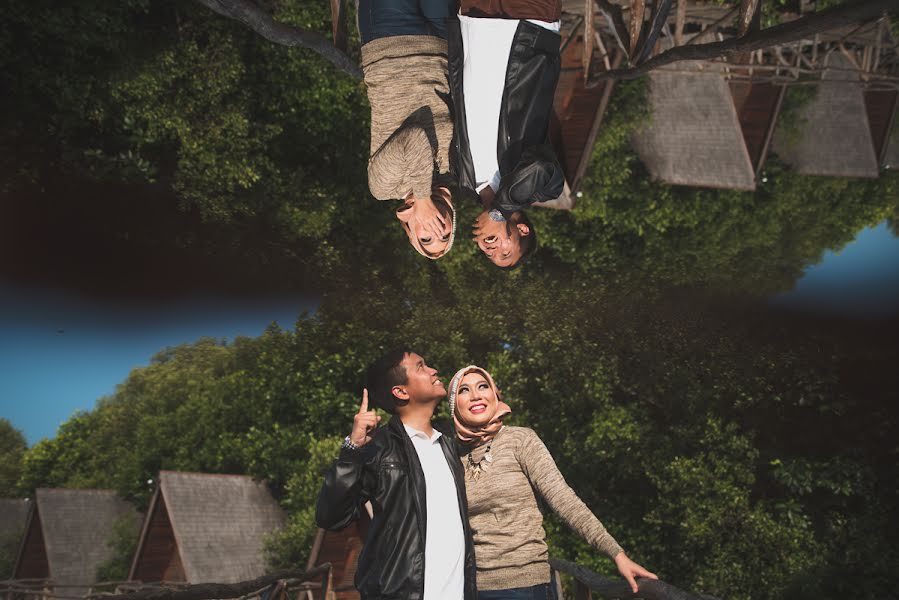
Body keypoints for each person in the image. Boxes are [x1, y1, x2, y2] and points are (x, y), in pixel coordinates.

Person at [447, 365, 658, 598]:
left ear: (495, 394)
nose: (476, 395)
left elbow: (563, 500)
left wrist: (616, 554)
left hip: (525, 587)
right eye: (464, 390)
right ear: (454, 404)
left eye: (483, 386)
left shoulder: (520, 440)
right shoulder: (452, 455)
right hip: (472, 589)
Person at [316, 350, 476, 600]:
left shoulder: (452, 440)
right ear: (401, 391)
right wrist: (352, 449)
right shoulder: (378, 448)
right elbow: (331, 517)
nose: (433, 370)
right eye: (421, 367)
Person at [447, 0, 566, 268]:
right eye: (505, 252)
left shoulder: (463, 180)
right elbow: (538, 165)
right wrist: (500, 212)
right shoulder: (545, 189)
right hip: (528, 26)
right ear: (522, 231)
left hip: (474, 21)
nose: (493, 251)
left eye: (490, 256)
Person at [360, 0, 457, 259]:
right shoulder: (453, 173)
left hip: (390, 38)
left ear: (409, 229)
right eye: (445, 236)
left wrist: (423, 199)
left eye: (426, 238)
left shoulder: (383, 187)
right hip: (439, 44)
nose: (436, 231)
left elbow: (414, 139)